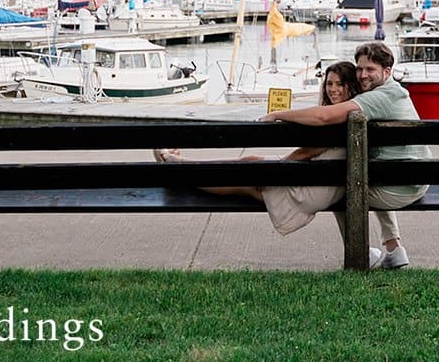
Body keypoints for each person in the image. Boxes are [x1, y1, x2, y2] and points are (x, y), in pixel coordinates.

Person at [152, 62, 396, 239]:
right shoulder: (352, 113)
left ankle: (178, 169)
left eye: (340, 85)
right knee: (248, 162)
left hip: (309, 192)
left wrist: (278, 165)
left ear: (350, 87)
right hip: (321, 185)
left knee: (244, 177)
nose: (333, 89)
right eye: (330, 84)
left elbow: (306, 152)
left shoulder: (336, 117)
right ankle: (179, 164)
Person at [262, 40, 430, 269]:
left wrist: (279, 114)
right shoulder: (394, 91)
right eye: (359, 68)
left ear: (387, 71)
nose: (362, 75)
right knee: (366, 174)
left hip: (400, 187)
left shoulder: (379, 97)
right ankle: (393, 249)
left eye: (370, 69)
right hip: (414, 177)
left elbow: (324, 117)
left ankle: (361, 252)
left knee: (341, 188)